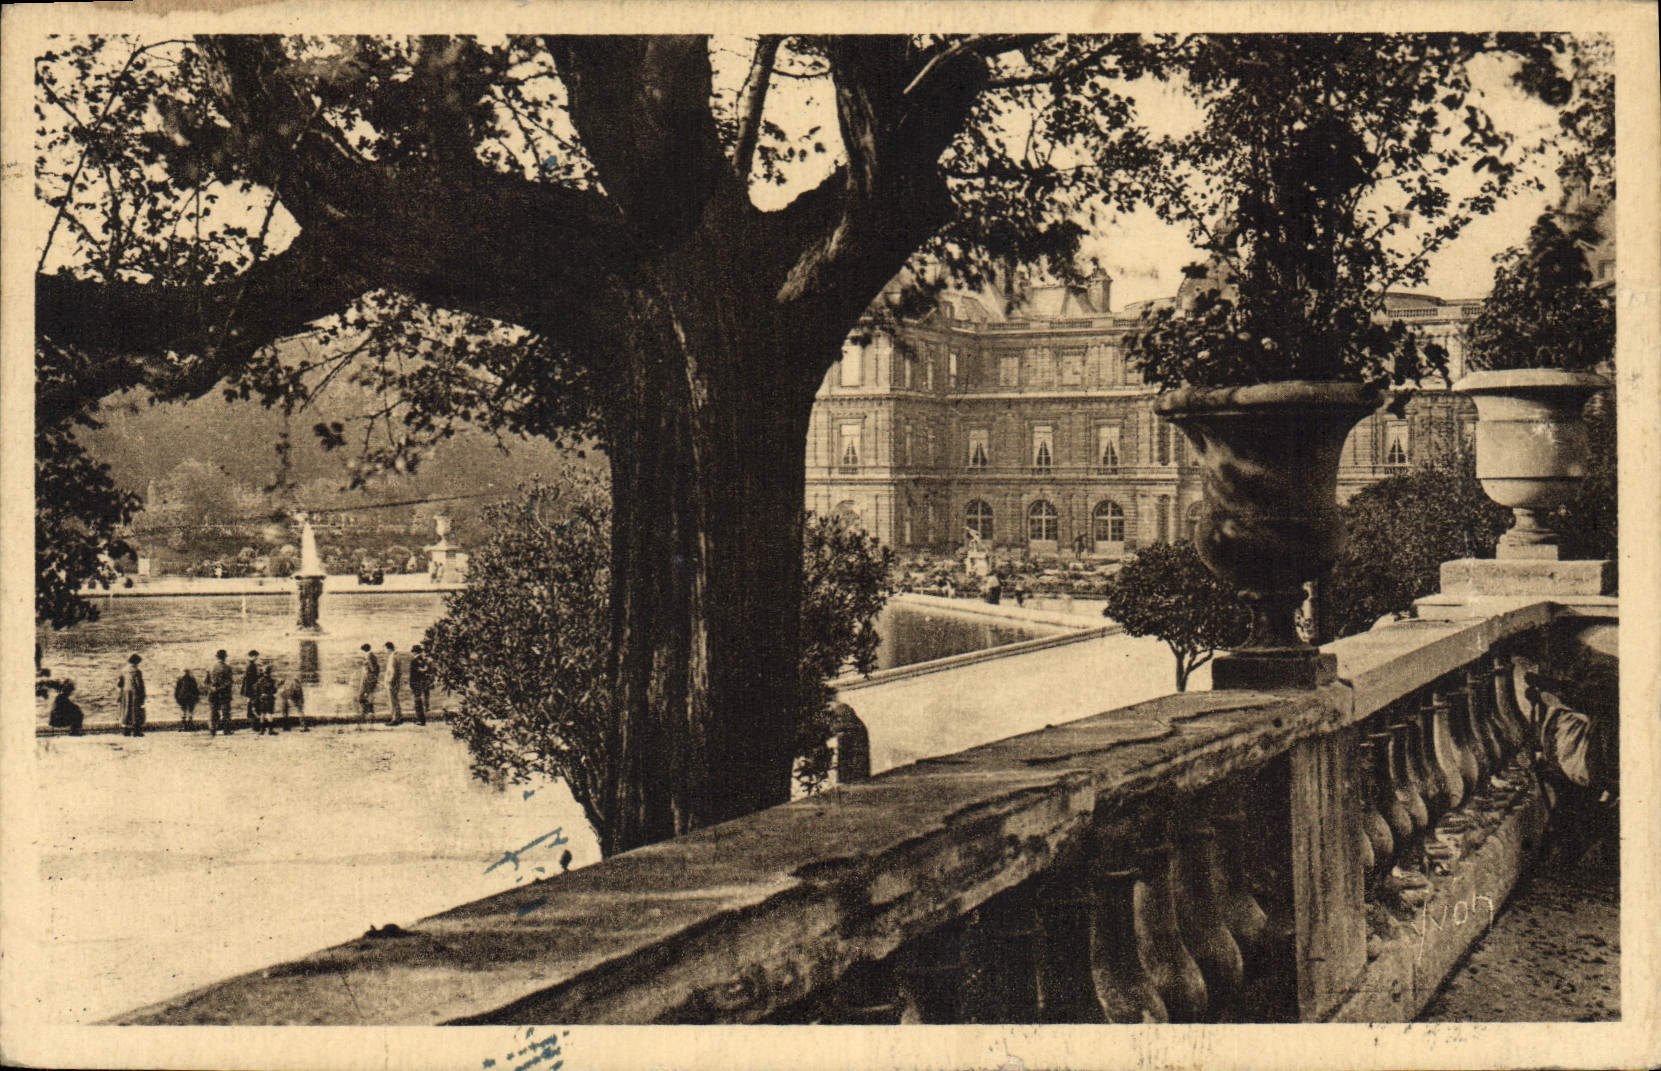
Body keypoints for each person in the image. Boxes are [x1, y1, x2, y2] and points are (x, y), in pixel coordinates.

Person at [116, 653, 146, 737]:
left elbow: (119, 683)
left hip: (125, 693)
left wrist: (120, 693)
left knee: (126, 711)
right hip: (135, 693)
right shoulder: (137, 671)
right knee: (136, 712)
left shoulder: (123, 670)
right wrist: (142, 695)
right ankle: (136, 731)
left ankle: (126, 730)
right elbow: (139, 684)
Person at [206, 649, 235, 736]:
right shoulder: (227, 668)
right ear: (225, 657)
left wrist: (212, 688)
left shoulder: (210, 668)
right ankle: (226, 730)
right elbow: (229, 681)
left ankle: (212, 729)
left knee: (213, 710)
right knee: (225, 711)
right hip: (224, 693)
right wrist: (220, 688)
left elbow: (206, 682)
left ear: (216, 657)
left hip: (212, 692)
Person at [409, 643, 432, 726]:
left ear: (414, 652)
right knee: (419, 701)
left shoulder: (414, 660)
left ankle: (420, 719)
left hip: (415, 683)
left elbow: (416, 672)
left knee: (417, 701)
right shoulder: (423, 659)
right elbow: (425, 670)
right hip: (421, 682)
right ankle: (420, 718)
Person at [357, 643, 380, 721]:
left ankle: (367, 711)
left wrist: (366, 666)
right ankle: (369, 710)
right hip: (371, 677)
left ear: (363, 650)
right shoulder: (373, 656)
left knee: (361, 696)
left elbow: (372, 668)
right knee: (369, 693)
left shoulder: (369, 656)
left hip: (368, 677)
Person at [255, 663, 279, 734]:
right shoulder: (272, 681)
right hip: (269, 698)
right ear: (270, 672)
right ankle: (270, 730)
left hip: (262, 698)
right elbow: (274, 691)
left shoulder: (260, 680)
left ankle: (262, 730)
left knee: (262, 713)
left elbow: (256, 689)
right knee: (269, 714)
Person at [384, 641, 405, 725]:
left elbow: (393, 670)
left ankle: (395, 719)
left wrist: (389, 680)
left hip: (392, 682)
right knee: (395, 700)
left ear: (388, 648)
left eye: (385, 649)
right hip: (396, 681)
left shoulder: (392, 657)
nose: (385, 651)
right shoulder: (396, 656)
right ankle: (399, 717)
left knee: (392, 700)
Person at [241, 649, 262, 727]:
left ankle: (253, 723)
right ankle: (254, 724)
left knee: (251, 705)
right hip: (252, 689)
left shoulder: (249, 665)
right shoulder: (251, 666)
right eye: (256, 657)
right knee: (253, 706)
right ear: (252, 656)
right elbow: (252, 679)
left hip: (249, 689)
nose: (256, 658)